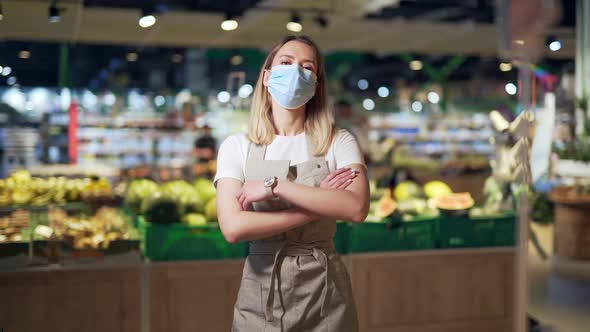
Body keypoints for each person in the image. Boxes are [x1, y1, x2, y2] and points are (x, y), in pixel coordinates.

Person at [215, 35, 369, 331]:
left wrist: (275, 186)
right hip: (261, 293)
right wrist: (319, 205)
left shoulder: (339, 140)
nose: (296, 72)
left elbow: (356, 207)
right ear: (266, 77)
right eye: (286, 63)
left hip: (325, 293)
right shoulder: (237, 146)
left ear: (316, 86)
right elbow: (234, 228)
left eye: (307, 67)